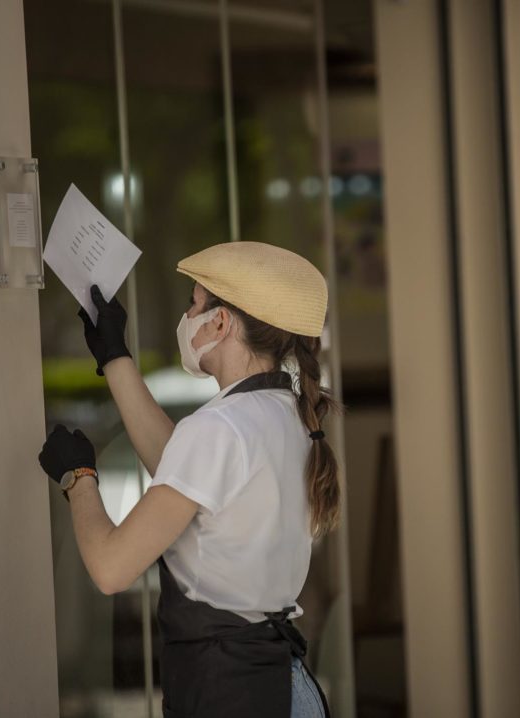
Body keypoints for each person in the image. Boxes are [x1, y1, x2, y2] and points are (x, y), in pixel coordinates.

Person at [37, 241, 340, 718]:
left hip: (232, 695)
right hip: (284, 688)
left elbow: (111, 568)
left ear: (221, 323)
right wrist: (115, 356)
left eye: (195, 303)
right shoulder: (286, 414)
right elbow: (182, 469)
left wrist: (79, 478)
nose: (188, 315)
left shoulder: (221, 429)